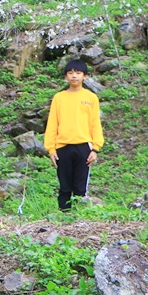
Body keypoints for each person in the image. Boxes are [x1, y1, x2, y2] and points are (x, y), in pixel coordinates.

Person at [43, 59, 103, 211]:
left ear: (85, 76)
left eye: (78, 73)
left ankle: (79, 217)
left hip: (84, 147)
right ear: (65, 77)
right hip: (62, 147)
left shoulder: (91, 98)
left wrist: (95, 149)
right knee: (64, 187)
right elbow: (52, 124)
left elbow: (95, 124)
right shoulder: (59, 98)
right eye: (70, 73)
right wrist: (51, 149)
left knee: (80, 188)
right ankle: (64, 217)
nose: (74, 76)